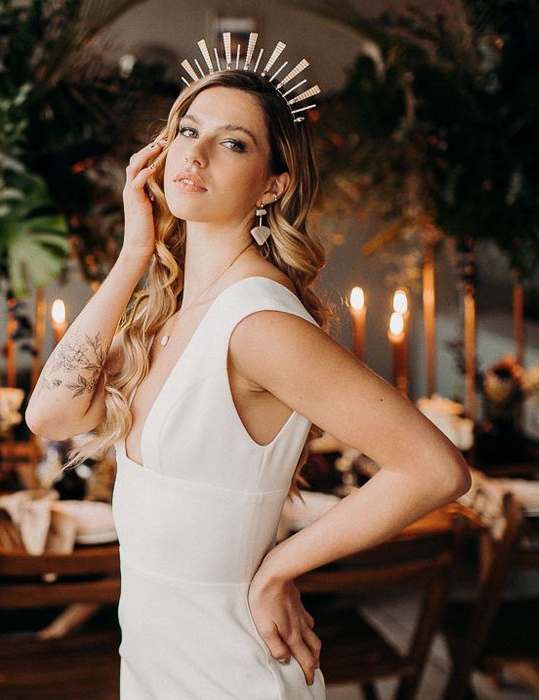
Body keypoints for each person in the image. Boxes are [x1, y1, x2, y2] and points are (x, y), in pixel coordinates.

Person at [25, 34, 471, 700]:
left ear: (272, 185)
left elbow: (436, 468)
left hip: (229, 669)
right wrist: (132, 256)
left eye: (232, 143)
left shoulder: (259, 324)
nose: (195, 153)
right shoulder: (173, 312)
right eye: (187, 130)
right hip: (154, 654)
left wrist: (275, 572)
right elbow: (50, 414)